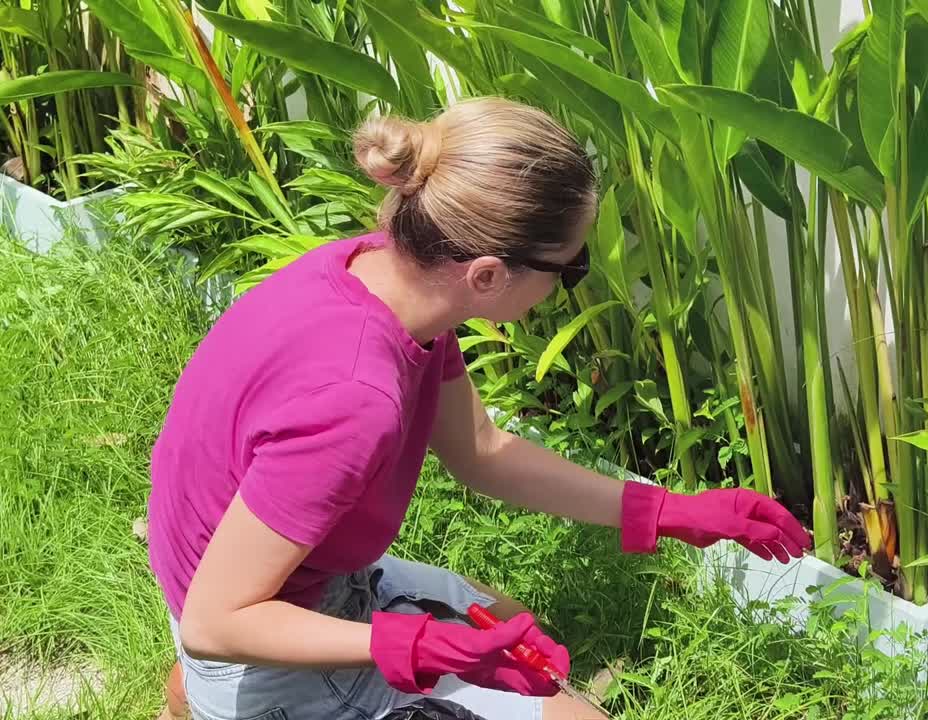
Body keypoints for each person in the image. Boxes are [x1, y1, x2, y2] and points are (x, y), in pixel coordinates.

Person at [147, 97, 812, 720]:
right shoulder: (356, 398)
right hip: (244, 638)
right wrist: (414, 646)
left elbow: (481, 451)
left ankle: (201, 694)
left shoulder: (377, 275)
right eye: (570, 267)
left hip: (275, 580)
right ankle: (216, 699)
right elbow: (216, 623)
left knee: (513, 621)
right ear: (489, 274)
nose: (571, 283)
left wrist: (665, 511)